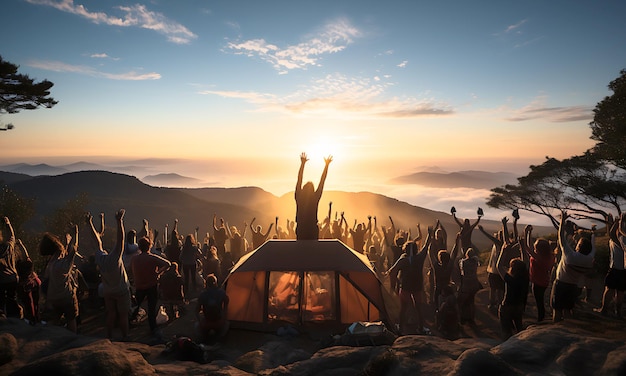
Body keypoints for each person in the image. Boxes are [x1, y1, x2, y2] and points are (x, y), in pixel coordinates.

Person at [90, 209, 131, 340]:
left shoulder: (99, 259)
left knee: (111, 313)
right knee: (124, 315)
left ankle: (108, 336)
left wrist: (89, 223)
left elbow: (97, 242)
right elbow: (121, 240)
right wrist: (119, 221)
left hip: (108, 290)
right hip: (121, 290)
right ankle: (125, 337)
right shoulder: (114, 258)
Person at [551, 210, 596, 322]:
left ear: (579, 246)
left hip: (561, 284)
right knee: (567, 310)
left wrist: (562, 221)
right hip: (573, 286)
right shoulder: (589, 259)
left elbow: (561, 237)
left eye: (578, 243)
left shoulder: (569, 255)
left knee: (557, 310)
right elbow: (594, 247)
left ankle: (555, 331)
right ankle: (568, 331)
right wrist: (593, 234)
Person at [385, 228, 432, 335]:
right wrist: (429, 234)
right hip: (417, 287)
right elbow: (426, 246)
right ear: (415, 249)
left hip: (405, 287)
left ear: (405, 249)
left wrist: (392, 286)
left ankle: (401, 328)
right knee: (419, 308)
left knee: (403, 308)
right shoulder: (419, 258)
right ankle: (421, 327)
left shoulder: (403, 260)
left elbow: (392, 271)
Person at [41, 224, 80, 332]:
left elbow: (64, 253)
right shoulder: (63, 265)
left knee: (52, 321)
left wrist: (67, 243)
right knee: (71, 319)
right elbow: (73, 250)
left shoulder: (50, 265)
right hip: (66, 297)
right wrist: (76, 233)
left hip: (52, 298)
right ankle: (72, 340)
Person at [131, 236, 171, 341]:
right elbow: (168, 264)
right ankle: (153, 328)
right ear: (149, 246)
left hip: (139, 285)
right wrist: (158, 273)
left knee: (136, 305)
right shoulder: (152, 258)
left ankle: (130, 320)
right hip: (151, 285)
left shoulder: (135, 259)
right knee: (151, 308)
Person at [520, 224, 556, 322]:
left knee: (539, 301)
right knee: (540, 300)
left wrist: (526, 232)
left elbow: (527, 248)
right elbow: (530, 247)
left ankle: (541, 318)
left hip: (538, 282)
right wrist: (529, 233)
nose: (534, 250)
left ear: (539, 250)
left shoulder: (539, 258)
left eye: (536, 248)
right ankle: (542, 316)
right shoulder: (548, 256)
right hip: (544, 281)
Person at [294, 152, 332, 240]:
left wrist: (302, 164)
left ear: (303, 189)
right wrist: (326, 166)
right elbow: (322, 181)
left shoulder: (298, 197)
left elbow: (299, 180)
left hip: (301, 228)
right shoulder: (315, 198)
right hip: (312, 229)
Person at [594, 215, 625, 317]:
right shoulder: (621, 238)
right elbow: (611, 232)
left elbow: (611, 233)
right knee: (620, 291)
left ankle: (604, 309)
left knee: (609, 289)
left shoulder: (621, 238)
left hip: (616, 268)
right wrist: (613, 222)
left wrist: (617, 221)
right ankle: (618, 312)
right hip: (623, 269)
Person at [497, 256, 529, 340]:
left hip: (507, 306)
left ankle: (506, 346)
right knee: (519, 328)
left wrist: (503, 252)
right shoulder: (525, 278)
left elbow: (498, 266)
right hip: (519, 306)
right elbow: (525, 262)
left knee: (506, 331)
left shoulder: (510, 279)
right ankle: (520, 345)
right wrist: (522, 246)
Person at [478, 223, 505, 313]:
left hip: (495, 271)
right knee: (499, 289)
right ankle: (499, 305)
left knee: (494, 289)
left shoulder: (499, 244)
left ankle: (494, 304)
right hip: (499, 270)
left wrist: (482, 231)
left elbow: (491, 238)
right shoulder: (502, 245)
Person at [196, 274, 229, 343]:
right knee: (227, 325)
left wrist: (200, 321)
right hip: (218, 321)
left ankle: (204, 338)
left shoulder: (203, 294)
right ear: (216, 283)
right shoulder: (221, 293)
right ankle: (219, 338)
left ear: (206, 283)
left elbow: (196, 311)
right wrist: (223, 319)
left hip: (206, 321)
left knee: (196, 326)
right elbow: (226, 307)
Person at [15, 239, 41, 323]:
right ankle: (35, 319)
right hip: (32, 284)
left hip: (27, 285)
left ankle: (33, 319)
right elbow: (27, 256)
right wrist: (21, 245)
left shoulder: (18, 264)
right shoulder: (26, 264)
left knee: (30, 304)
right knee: (33, 304)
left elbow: (26, 256)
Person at [0, 216, 21, 318]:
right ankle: (14, 318)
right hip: (12, 277)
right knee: (12, 298)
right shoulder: (8, 246)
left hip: (1, 280)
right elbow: (12, 236)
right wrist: (8, 224)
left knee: (1, 300)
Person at [458, 247, 483, 326]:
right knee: (471, 301)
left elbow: (461, 270)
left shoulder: (464, 262)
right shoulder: (475, 262)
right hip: (474, 283)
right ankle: (471, 318)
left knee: (464, 301)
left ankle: (464, 317)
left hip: (466, 284)